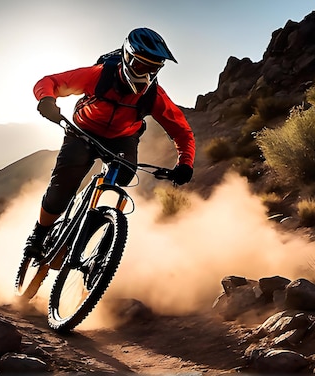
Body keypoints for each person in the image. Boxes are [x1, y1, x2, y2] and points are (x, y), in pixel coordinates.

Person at [25, 27, 196, 258]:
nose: (146, 74)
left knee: (124, 176)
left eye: (153, 68)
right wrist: (46, 99)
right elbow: (50, 82)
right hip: (82, 131)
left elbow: (182, 132)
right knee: (60, 189)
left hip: (122, 138)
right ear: (127, 58)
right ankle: (39, 234)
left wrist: (185, 164)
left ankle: (91, 228)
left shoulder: (154, 95)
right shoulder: (98, 75)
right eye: (140, 65)